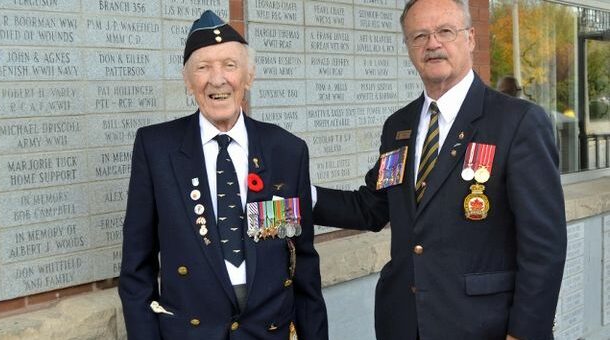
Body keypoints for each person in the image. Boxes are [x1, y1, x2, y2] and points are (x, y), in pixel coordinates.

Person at [312, 0, 567, 339]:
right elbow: (372, 208)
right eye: (419, 35)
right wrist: (300, 194)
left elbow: (544, 244)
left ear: (471, 38)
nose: (432, 44)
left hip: (484, 325)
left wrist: (524, 332)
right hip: (404, 323)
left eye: (445, 31)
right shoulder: (399, 127)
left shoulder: (517, 122)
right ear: (408, 47)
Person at [119, 10, 328, 340]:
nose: (217, 80)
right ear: (188, 82)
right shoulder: (156, 148)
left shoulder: (287, 150)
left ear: (249, 77)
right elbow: (136, 269)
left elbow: (303, 264)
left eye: (230, 66)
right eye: (203, 68)